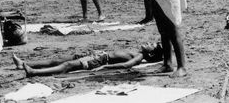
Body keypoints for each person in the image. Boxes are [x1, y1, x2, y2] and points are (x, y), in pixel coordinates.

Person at [13, 42, 163, 77]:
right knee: (60, 60)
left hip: (99, 61)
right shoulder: (136, 51)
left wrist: (104, 68)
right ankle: (25, 64)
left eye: (151, 45)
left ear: (150, 54)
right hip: (97, 55)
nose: (148, 43)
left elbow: (125, 65)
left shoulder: (139, 56)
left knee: (68, 65)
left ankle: (34, 72)